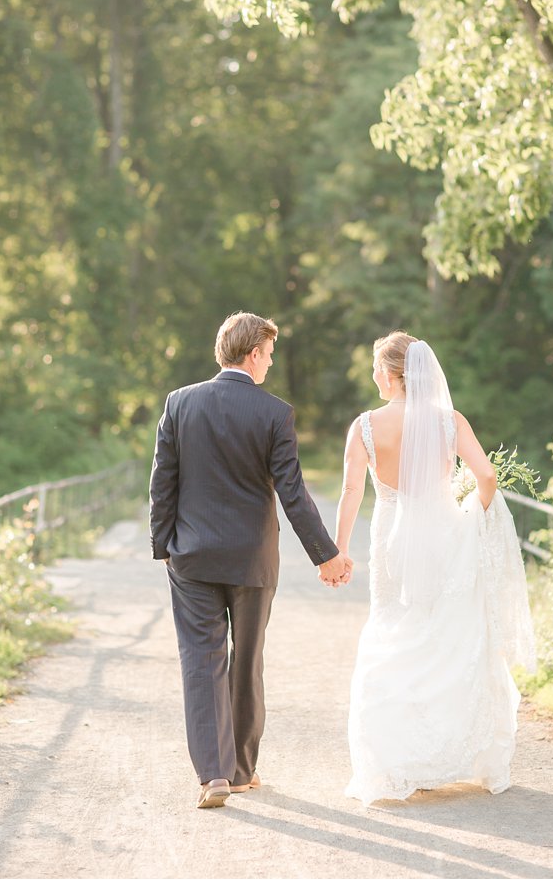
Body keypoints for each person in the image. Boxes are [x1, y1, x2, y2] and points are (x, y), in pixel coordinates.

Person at [149, 311, 352, 810]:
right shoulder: (275, 413)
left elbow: (162, 484)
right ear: (253, 354)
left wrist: (163, 547)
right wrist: (325, 556)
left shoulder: (179, 403)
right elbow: (293, 494)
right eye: (269, 356)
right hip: (253, 561)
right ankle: (241, 770)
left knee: (201, 660)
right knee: (248, 660)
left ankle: (212, 775)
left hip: (191, 558)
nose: (270, 365)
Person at [335, 332, 537, 804]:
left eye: (374, 368)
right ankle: (443, 751)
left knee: (393, 630)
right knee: (443, 634)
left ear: (389, 374)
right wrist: (473, 519)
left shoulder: (364, 426)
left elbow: (350, 492)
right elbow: (485, 477)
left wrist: (339, 550)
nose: (373, 376)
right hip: (444, 534)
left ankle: (396, 757)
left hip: (390, 541)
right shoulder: (449, 422)